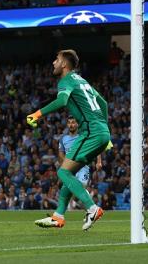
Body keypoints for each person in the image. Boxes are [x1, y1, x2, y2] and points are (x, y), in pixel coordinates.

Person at [27, 49, 110, 231]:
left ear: (64, 64)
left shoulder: (66, 81)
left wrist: (37, 114)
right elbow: (103, 103)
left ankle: (92, 208)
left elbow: (62, 101)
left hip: (90, 132)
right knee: (69, 174)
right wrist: (106, 131)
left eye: (56, 59)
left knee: (63, 173)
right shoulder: (82, 81)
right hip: (102, 132)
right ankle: (58, 216)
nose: (53, 63)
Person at [36, 117, 103, 227]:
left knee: (79, 186)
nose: (71, 125)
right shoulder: (63, 139)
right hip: (69, 169)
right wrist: (66, 162)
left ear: (77, 124)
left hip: (82, 166)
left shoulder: (83, 136)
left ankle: (92, 209)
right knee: (65, 192)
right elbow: (61, 153)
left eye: (73, 122)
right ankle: (58, 217)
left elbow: (96, 148)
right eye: (69, 123)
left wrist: (99, 161)